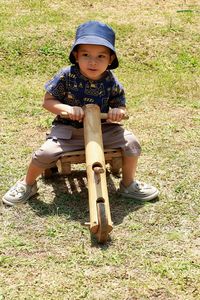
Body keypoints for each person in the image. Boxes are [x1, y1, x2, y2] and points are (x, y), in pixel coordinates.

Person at [2, 20, 159, 206]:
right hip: (70, 131)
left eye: (101, 56)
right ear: (76, 55)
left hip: (103, 129)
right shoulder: (66, 75)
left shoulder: (110, 80)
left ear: (110, 59)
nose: (93, 61)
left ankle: (128, 184)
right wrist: (67, 109)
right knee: (44, 154)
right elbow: (48, 101)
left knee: (132, 143)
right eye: (86, 54)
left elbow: (121, 106)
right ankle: (27, 184)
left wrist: (117, 112)